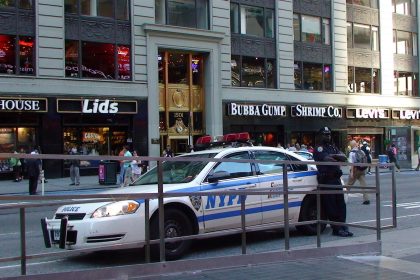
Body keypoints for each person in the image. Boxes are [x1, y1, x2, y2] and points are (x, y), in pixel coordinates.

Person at [313, 127, 353, 237]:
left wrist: (334, 156)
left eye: (329, 134)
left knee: (341, 204)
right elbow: (326, 160)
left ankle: (343, 226)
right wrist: (336, 157)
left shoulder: (332, 147)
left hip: (336, 179)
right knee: (332, 206)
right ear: (321, 136)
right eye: (325, 135)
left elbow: (344, 157)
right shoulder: (319, 149)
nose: (328, 136)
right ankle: (336, 229)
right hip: (327, 179)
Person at [347, 140, 370, 205]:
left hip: (355, 169)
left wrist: (351, 173)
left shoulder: (351, 153)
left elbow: (351, 163)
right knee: (363, 184)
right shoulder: (361, 151)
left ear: (351, 145)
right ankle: (366, 199)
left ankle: (342, 198)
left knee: (349, 184)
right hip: (362, 169)